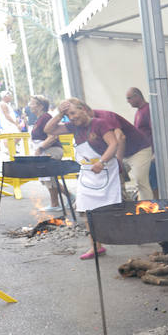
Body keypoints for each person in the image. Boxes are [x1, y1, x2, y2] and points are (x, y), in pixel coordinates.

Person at [48, 98, 121, 259]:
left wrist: (102, 162)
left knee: (109, 208)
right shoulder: (73, 126)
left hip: (106, 169)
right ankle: (95, 246)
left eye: (73, 113)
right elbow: (49, 129)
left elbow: (113, 144)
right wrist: (60, 113)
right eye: (69, 115)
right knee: (86, 207)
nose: (72, 117)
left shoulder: (100, 123)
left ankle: (120, 236)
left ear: (83, 109)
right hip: (87, 172)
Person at [29, 95, 66, 211]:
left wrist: (40, 148)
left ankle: (55, 204)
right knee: (50, 178)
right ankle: (70, 197)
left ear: (40, 106)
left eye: (32, 103)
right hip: (45, 150)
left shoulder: (45, 117)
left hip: (51, 150)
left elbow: (52, 136)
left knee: (49, 177)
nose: (30, 105)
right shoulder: (40, 118)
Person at [125, 87, 155, 200]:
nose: (128, 101)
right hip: (138, 150)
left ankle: (149, 206)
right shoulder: (139, 111)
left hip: (146, 151)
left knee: (144, 182)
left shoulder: (148, 110)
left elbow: (155, 131)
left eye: (129, 98)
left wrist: (155, 152)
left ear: (137, 96)